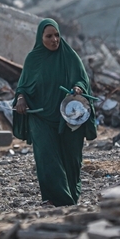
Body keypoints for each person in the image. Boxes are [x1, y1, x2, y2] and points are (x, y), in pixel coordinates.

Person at [12, 19, 97, 206]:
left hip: (69, 116)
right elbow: (23, 87)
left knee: (71, 159)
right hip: (40, 116)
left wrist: (78, 88)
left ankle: (71, 196)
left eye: (57, 35)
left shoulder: (69, 56)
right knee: (46, 157)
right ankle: (55, 199)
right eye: (49, 36)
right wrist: (21, 100)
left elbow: (82, 80)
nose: (54, 40)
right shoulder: (33, 59)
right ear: (40, 37)